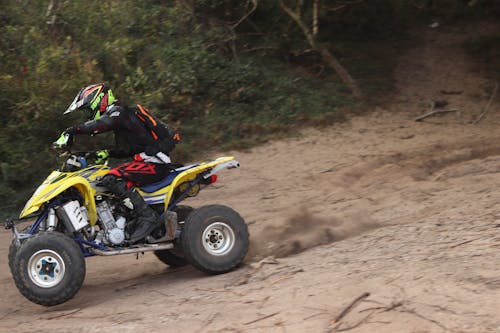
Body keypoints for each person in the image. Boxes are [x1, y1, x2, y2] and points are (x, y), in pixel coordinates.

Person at [54, 83, 180, 243]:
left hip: (155, 163)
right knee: (101, 180)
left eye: (87, 109)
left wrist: (73, 130)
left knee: (112, 178)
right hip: (147, 162)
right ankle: (125, 218)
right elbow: (127, 151)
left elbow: (103, 124)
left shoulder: (119, 113)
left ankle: (147, 216)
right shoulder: (121, 120)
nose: (88, 113)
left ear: (99, 100)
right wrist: (100, 154)